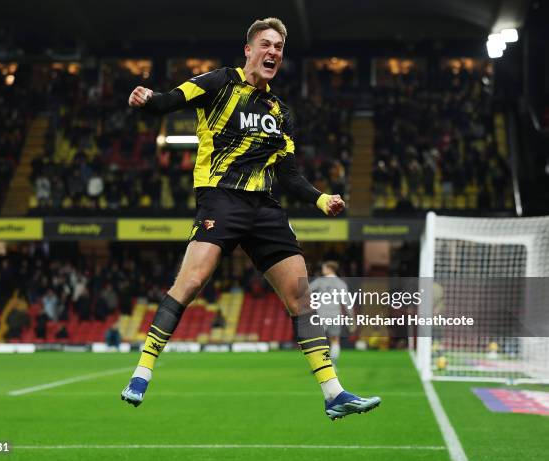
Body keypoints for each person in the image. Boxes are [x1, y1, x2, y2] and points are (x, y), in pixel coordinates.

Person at [121, 17, 380, 420]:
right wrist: (145, 99)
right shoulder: (219, 82)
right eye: (266, 44)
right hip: (220, 200)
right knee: (191, 282)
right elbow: (169, 100)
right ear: (248, 49)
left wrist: (321, 199)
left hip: (265, 209)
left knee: (301, 297)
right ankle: (142, 370)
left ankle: (334, 394)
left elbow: (289, 175)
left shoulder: (279, 111)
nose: (273, 52)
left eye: (279, 47)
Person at [309, 261, 350, 371]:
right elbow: (347, 302)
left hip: (322, 314)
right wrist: (351, 318)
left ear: (329, 268)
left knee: (319, 341)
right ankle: (333, 365)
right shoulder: (341, 283)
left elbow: (306, 291)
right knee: (335, 340)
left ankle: (322, 365)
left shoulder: (320, 281)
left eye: (324, 268)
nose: (323, 270)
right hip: (335, 314)